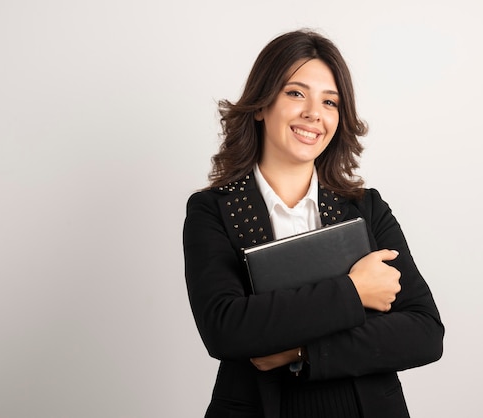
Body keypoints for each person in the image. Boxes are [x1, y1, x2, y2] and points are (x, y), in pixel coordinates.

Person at [183, 29, 444, 418]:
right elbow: (226, 328)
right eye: (295, 93)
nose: (313, 113)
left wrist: (302, 352)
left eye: (330, 101)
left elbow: (424, 333)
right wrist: (355, 292)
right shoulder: (212, 210)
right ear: (260, 105)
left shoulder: (366, 209)